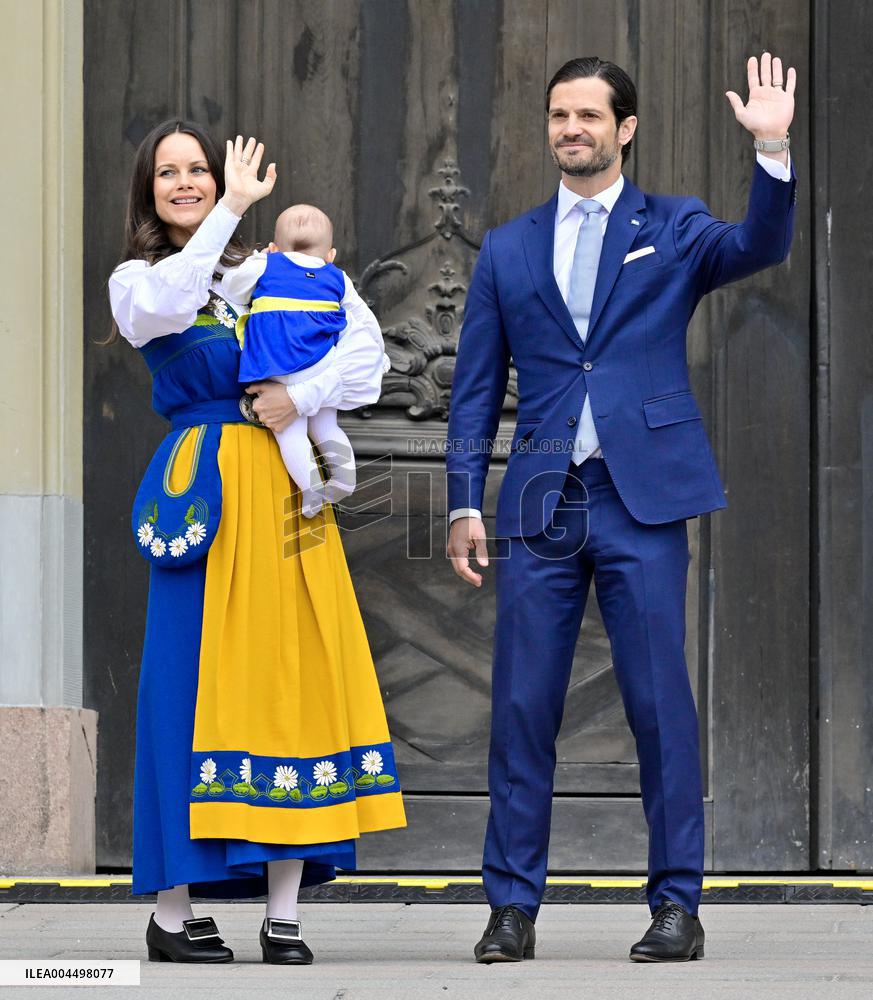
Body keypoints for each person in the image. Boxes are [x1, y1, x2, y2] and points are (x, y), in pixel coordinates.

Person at [446, 53, 796, 963]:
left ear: (624, 127)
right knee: (522, 707)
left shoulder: (672, 225)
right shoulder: (508, 247)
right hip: (537, 501)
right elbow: (475, 392)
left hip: (641, 500)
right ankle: (511, 909)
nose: (571, 129)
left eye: (589, 116)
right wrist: (459, 502)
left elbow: (758, 247)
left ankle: (677, 904)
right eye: (559, 115)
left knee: (656, 706)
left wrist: (771, 150)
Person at [108, 120, 406, 965]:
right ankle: (173, 912)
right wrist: (233, 210)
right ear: (148, 189)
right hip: (202, 489)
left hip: (284, 488)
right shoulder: (138, 279)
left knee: (290, 680)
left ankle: (285, 913)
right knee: (186, 688)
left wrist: (296, 393)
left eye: (198, 169)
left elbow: (366, 355)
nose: (185, 182)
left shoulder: (280, 271)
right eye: (168, 173)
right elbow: (170, 304)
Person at [222, 204, 387, 518]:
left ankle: (311, 489)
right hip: (322, 360)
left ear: (273, 248)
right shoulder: (337, 277)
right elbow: (363, 321)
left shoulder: (267, 264)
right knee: (326, 425)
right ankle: (343, 480)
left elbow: (233, 288)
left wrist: (258, 261)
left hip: (279, 363)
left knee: (292, 434)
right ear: (330, 254)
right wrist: (379, 357)